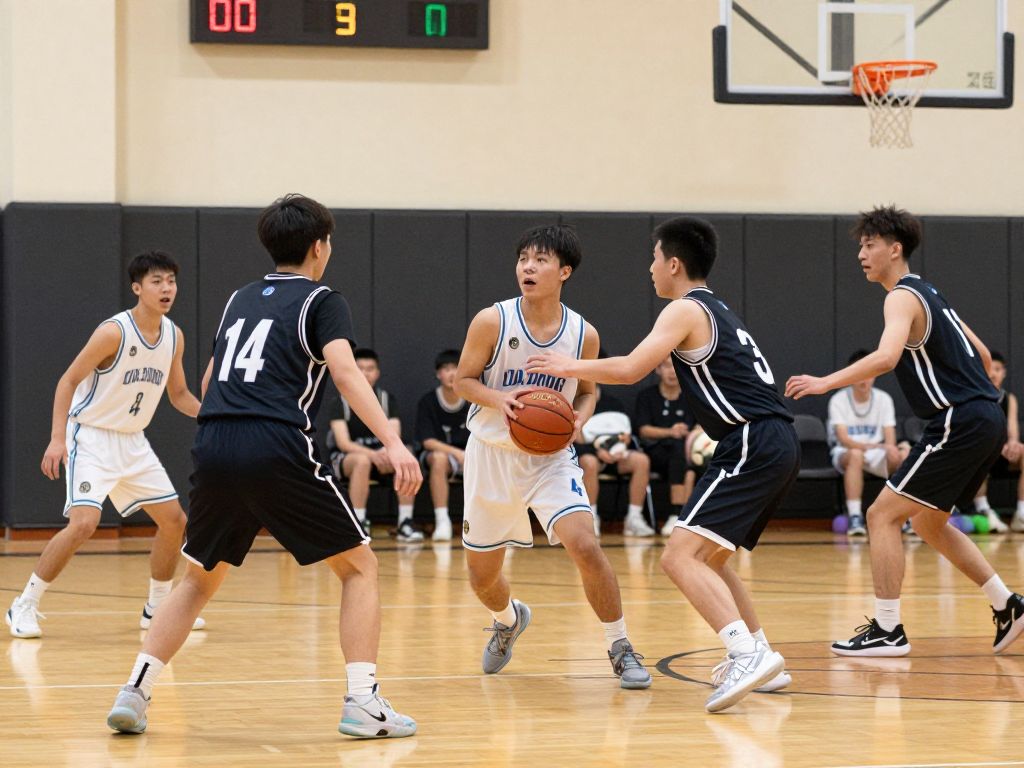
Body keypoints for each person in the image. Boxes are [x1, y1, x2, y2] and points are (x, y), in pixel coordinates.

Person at [105, 194, 422, 738]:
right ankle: (363, 703)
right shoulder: (323, 300)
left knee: (198, 579)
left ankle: (134, 690)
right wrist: (393, 442)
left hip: (214, 441)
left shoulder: (239, 299)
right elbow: (346, 373)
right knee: (360, 568)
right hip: (274, 442)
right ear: (320, 247)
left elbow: (208, 385)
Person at [526, 216, 795, 712]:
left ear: (674, 263)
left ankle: (744, 653)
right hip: (774, 439)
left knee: (677, 557)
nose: (649, 269)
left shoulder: (686, 309)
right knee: (712, 557)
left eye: (653, 258)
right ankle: (761, 652)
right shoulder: (719, 309)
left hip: (752, 439)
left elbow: (629, 369)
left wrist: (567, 366)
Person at [786, 204, 1024, 657]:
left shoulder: (899, 296)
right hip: (982, 417)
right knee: (928, 522)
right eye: (860, 245)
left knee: (881, 515)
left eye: (870, 244)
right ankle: (1007, 604)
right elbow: (980, 351)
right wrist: (974, 382)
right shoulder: (930, 293)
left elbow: (887, 358)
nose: (861, 253)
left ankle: (888, 629)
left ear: (895, 250)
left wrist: (824, 382)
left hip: (960, 418)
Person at [454, 224, 651, 690]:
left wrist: (579, 419)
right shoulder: (492, 321)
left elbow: (587, 392)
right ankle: (508, 619)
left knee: (584, 544)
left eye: (540, 259)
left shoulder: (583, 333)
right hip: (491, 454)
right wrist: (498, 400)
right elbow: (463, 380)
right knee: (483, 577)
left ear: (564, 271)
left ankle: (620, 646)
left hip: (550, 458)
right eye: (524, 258)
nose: (528, 266)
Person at [7, 251, 205, 639]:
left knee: (174, 521)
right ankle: (24, 604)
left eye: (171, 281)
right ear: (137, 288)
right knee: (84, 524)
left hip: (132, 441)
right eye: (157, 281)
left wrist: (214, 415)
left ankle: (156, 608)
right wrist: (57, 438)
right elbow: (67, 380)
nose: (167, 289)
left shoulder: (173, 336)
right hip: (92, 436)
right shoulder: (113, 332)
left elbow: (179, 394)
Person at [327, 347, 421, 541]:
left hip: (382, 457)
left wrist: (386, 453)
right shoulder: (340, 402)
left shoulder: (387, 400)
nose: (365, 373)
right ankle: (358, 523)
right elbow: (343, 443)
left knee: (406, 456)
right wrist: (372, 455)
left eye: (370, 369)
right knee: (362, 461)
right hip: (348, 460)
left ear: (377, 373)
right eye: (359, 368)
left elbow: (395, 434)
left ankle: (405, 522)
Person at [827, 349, 908, 537]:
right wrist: (877, 447)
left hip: (874, 453)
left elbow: (890, 438)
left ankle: (901, 516)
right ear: (851, 374)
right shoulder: (838, 399)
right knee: (855, 455)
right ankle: (855, 515)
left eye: (869, 373)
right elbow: (844, 439)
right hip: (845, 452)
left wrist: (892, 450)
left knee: (901, 456)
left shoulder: (884, 399)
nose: (865, 379)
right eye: (860, 373)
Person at [577, 384, 654, 537]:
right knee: (589, 462)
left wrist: (624, 443)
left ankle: (634, 518)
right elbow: (573, 441)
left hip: (616, 456)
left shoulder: (613, 402)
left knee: (641, 460)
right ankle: (591, 518)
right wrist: (597, 451)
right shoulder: (574, 402)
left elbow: (626, 434)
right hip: (589, 456)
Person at [635, 357, 697, 535]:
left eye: (675, 367)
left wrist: (691, 433)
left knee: (688, 465)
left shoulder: (691, 395)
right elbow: (644, 430)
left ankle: (684, 517)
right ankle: (676, 515)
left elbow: (701, 425)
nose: (672, 372)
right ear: (658, 370)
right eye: (667, 367)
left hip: (684, 452)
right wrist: (671, 432)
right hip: (655, 451)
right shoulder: (647, 396)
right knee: (679, 456)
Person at [415, 349, 471, 541]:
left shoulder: (473, 400)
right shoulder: (428, 401)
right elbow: (427, 441)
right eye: (446, 369)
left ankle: (497, 522)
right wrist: (456, 453)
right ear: (438, 374)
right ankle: (442, 521)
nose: (452, 373)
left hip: (470, 455)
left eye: (456, 368)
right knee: (439, 459)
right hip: (439, 456)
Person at [972, 351, 1022, 533]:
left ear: (1004, 373)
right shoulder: (973, 395)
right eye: (989, 369)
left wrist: (1013, 443)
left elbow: (1012, 430)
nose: (993, 374)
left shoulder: (1009, 399)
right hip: (980, 453)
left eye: (998, 369)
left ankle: (1022, 514)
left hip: (1003, 455)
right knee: (980, 449)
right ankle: (984, 510)